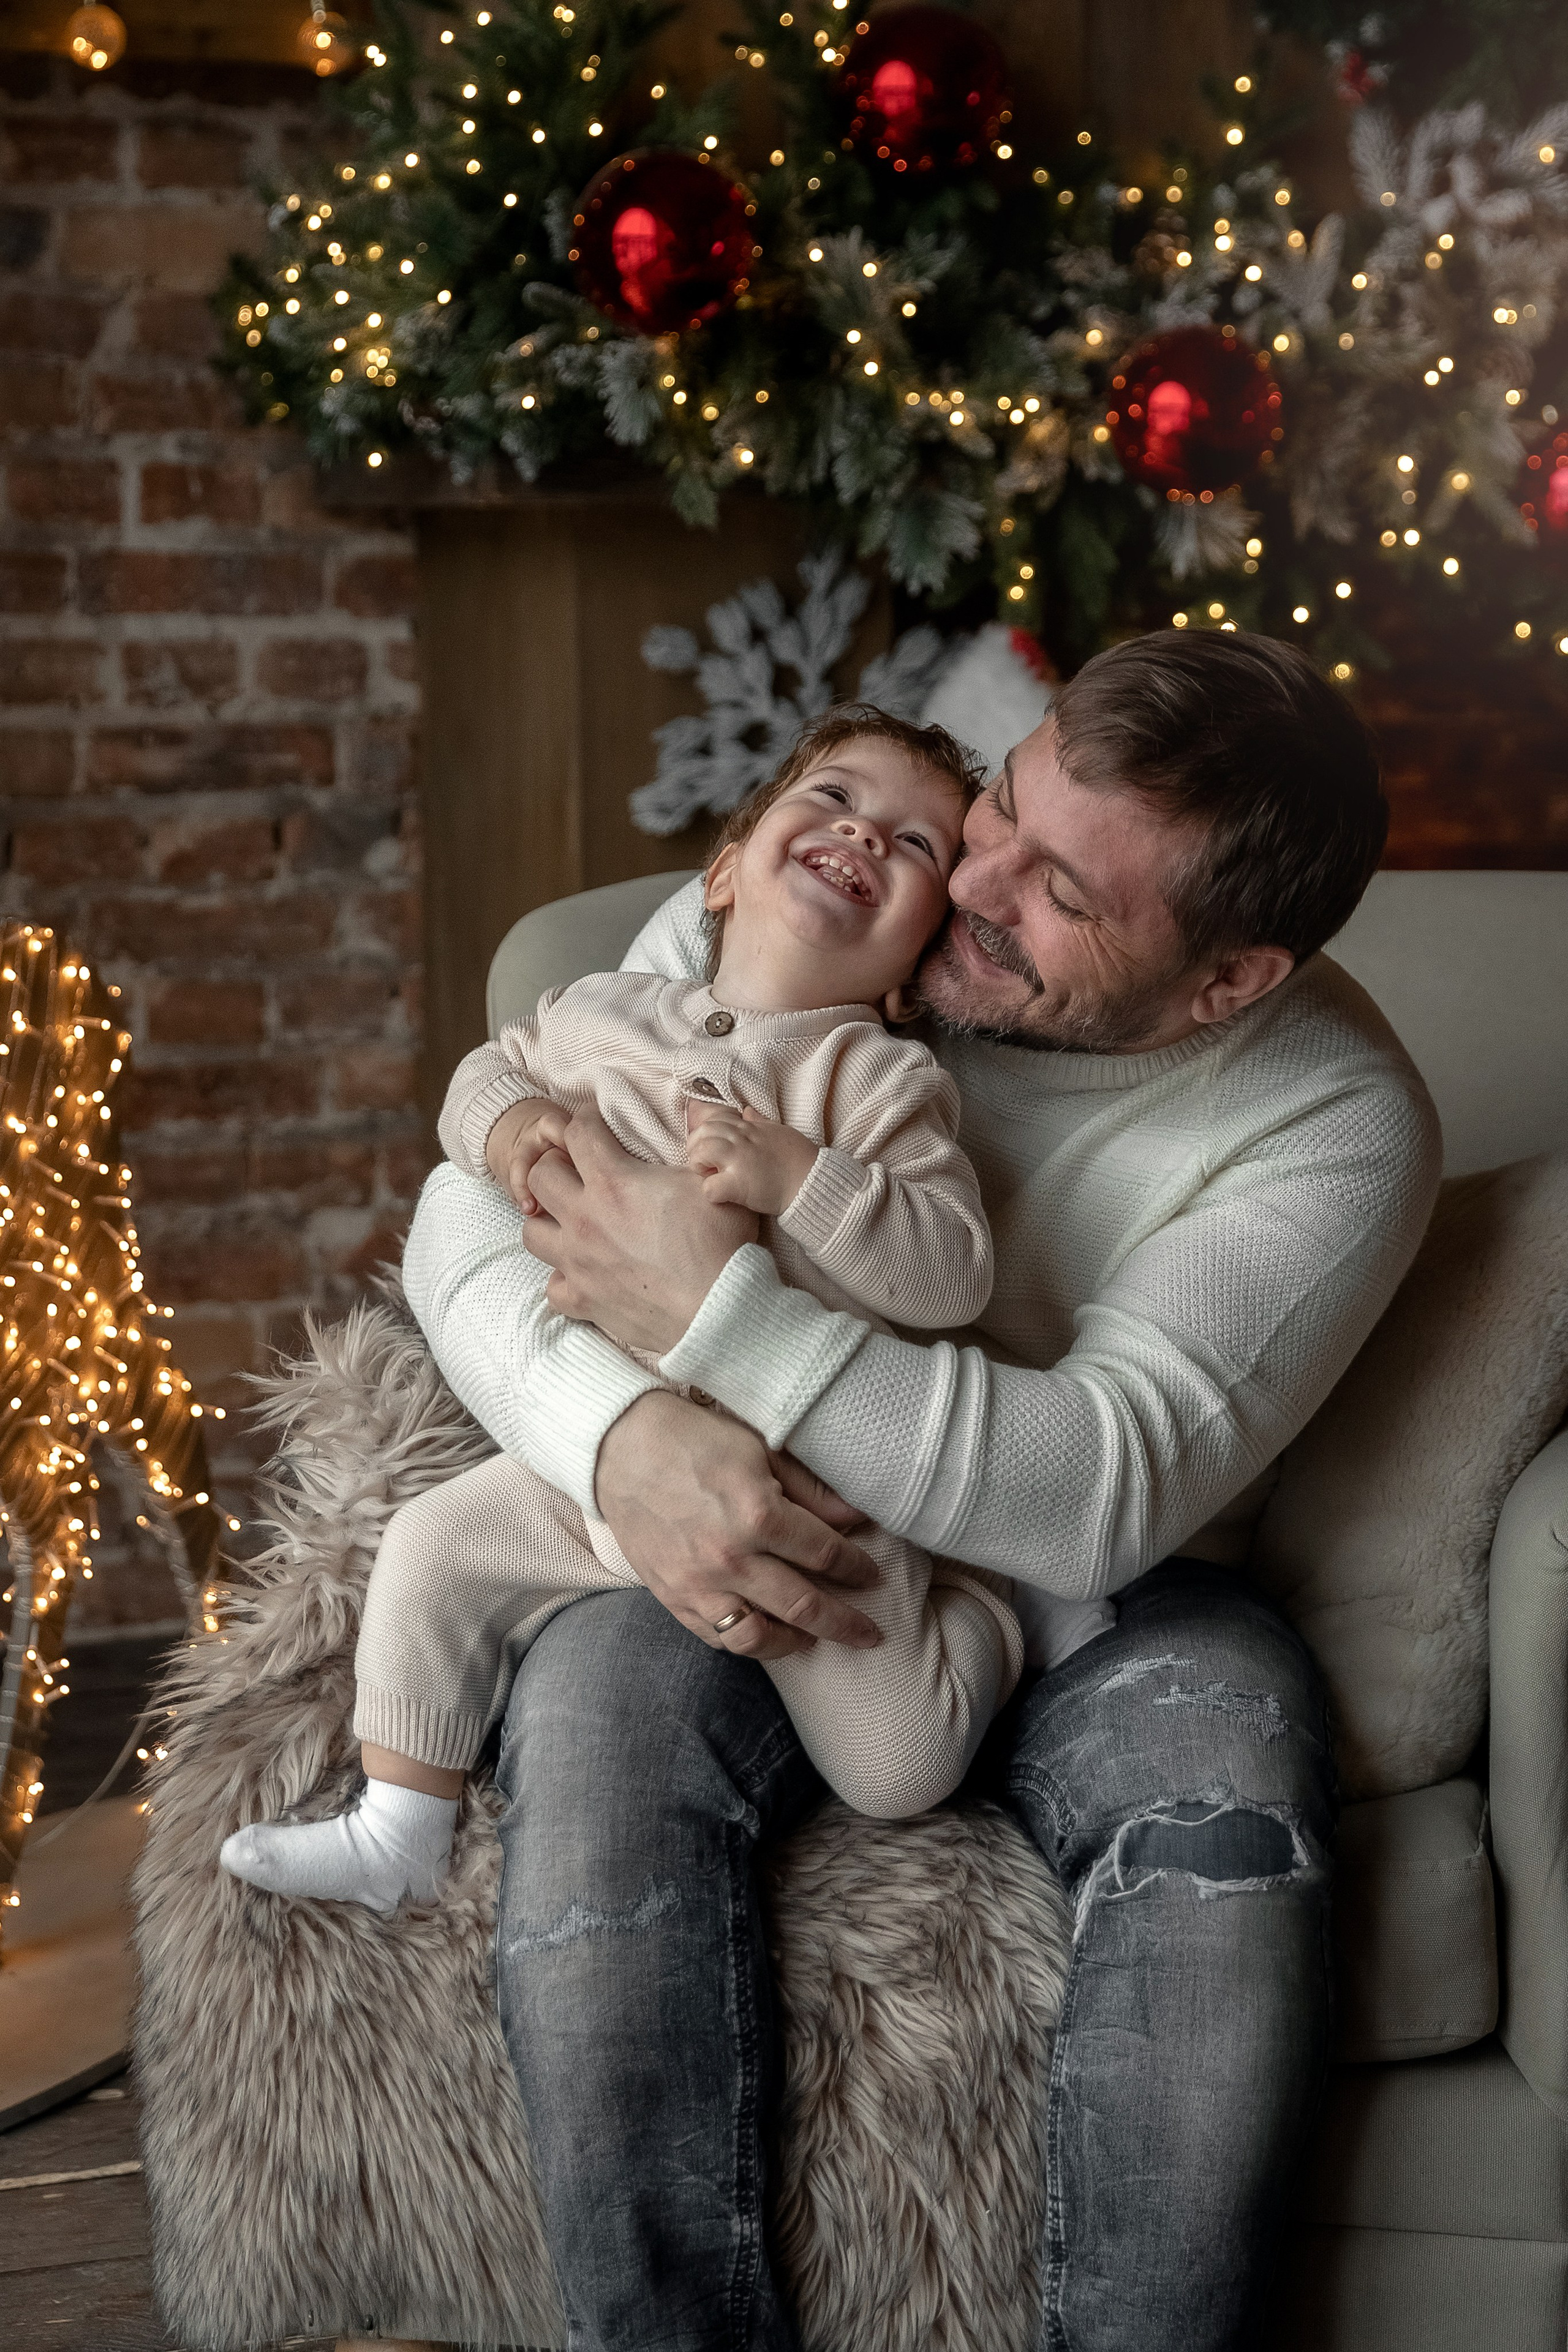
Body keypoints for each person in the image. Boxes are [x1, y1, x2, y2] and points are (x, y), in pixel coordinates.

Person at [402, 628, 1442, 2351]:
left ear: (1227, 983)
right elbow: (476, 1194)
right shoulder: (859, 878)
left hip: (1122, 1593)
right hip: (768, 1506)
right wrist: (616, 1440)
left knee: (1229, 1789)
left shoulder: (1334, 1120)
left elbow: (1099, 1487)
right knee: (593, 1708)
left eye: (1063, 904)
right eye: (1007, 811)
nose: (971, 890)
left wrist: (719, 1325)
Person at [219, 712, 1054, 1916]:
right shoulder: (602, 1008)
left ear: (910, 971)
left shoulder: (873, 1081)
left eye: (912, 841)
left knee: (897, 1769)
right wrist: (511, 1130)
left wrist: (795, 1179)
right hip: (591, 1461)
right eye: (828, 798)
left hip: (808, 1495)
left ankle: (990, 1609)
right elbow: (481, 1080)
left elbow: (950, 1275)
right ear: (722, 870)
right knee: (427, 1548)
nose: (859, 832)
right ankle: (399, 1823)